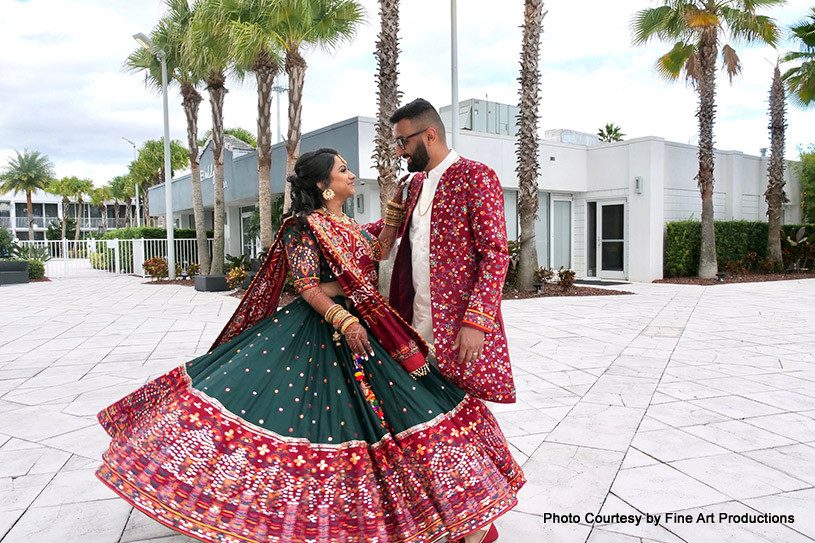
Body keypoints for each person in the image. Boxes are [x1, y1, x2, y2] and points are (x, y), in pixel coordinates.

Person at [96, 148, 524, 543]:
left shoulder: (349, 225)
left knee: (420, 403)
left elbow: (377, 247)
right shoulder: (303, 226)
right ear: (324, 185)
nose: (352, 174)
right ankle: (311, 520)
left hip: (369, 326)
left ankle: (460, 513)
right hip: (325, 329)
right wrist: (341, 314)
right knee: (323, 422)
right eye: (343, 170)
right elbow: (304, 284)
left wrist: (400, 201)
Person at [370, 98, 516, 406]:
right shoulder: (412, 186)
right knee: (422, 418)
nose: (399, 151)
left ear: (430, 135)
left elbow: (495, 255)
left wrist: (477, 323)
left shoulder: (475, 177)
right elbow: (384, 230)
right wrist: (323, 224)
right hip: (416, 327)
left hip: (459, 331)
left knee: (466, 417)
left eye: (402, 141)